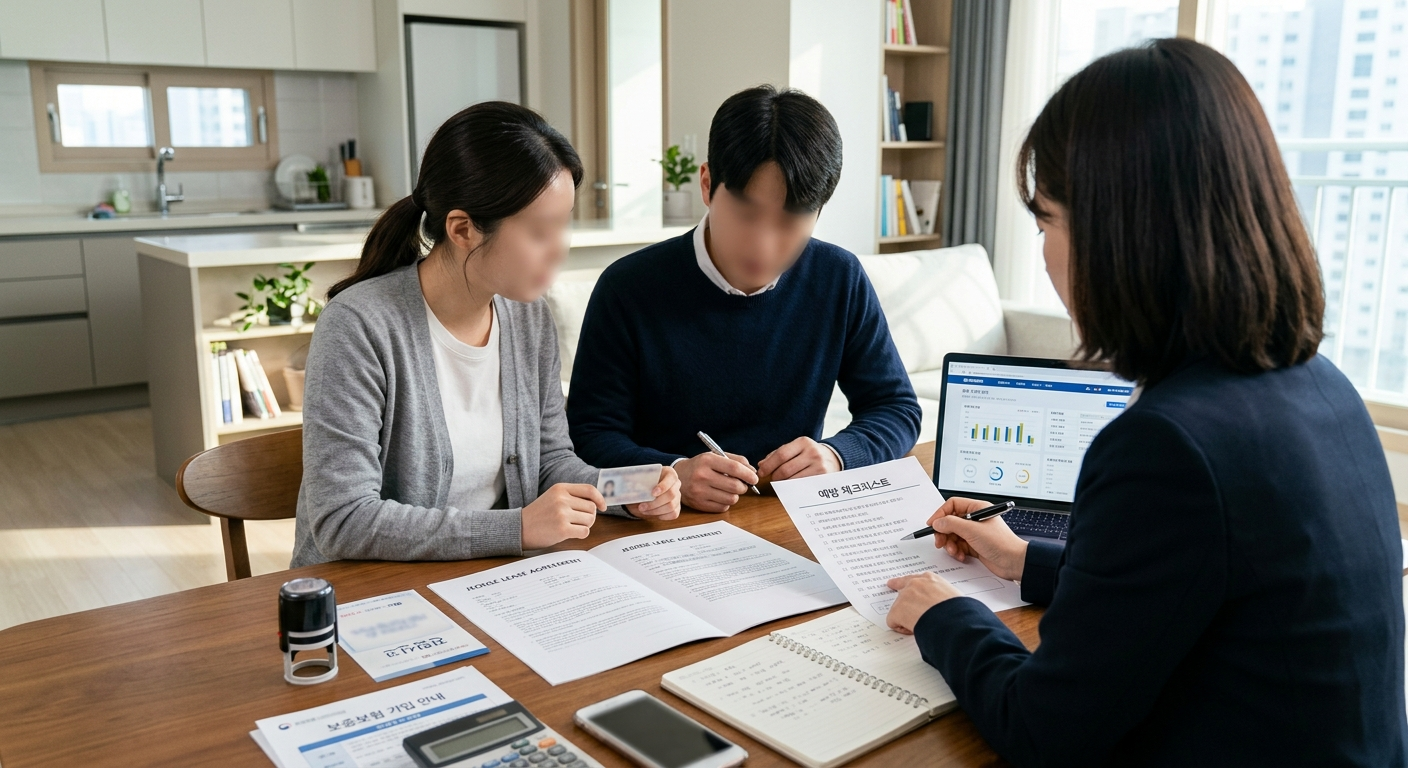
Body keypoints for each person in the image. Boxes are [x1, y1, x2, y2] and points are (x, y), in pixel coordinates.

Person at [885, 39, 1407, 765]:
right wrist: (1025, 561)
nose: (1043, 254)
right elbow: (1185, 588)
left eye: (1046, 223)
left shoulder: (1167, 445)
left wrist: (951, 617)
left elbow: (1045, 729)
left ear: (1117, 231)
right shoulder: (1322, 385)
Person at [291, 102, 680, 568]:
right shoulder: (359, 326)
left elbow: (551, 462)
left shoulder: (528, 317)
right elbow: (344, 521)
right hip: (374, 593)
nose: (562, 248)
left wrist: (634, 489)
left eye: (565, 222)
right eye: (541, 230)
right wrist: (517, 528)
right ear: (463, 229)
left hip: (488, 579)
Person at [566, 85, 922, 513]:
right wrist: (671, 472)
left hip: (791, 516)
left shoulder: (838, 277)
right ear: (707, 184)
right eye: (747, 214)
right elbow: (588, 435)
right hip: (665, 524)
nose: (764, 245)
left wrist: (838, 455)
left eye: (790, 222)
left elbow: (896, 407)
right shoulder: (628, 287)